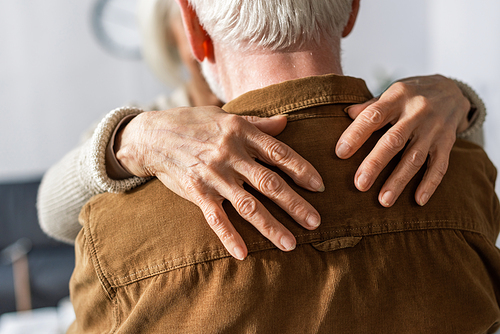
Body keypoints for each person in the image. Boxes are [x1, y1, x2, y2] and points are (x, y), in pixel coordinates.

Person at [67, 0, 500, 332]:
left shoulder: (114, 233)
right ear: (351, 10)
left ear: (194, 28)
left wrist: (126, 139)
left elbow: (54, 213)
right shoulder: (463, 174)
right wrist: (458, 98)